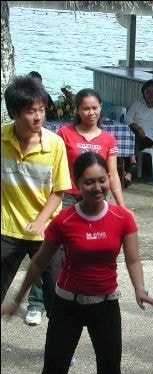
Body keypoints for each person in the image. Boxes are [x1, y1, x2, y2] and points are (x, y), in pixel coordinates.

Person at [1, 152, 153, 374]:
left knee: (110, 370)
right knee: (53, 373)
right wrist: (18, 298)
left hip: (106, 305)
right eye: (89, 182)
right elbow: (38, 263)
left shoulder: (122, 218)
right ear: (77, 184)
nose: (97, 187)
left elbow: (133, 259)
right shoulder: (64, 221)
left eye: (102, 180)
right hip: (67, 306)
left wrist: (140, 288)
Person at [1, 75, 71, 319]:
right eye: (31, 111)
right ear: (14, 112)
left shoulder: (55, 144)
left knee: (57, 296)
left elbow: (59, 190)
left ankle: (59, 341)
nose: (38, 117)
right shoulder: (2, 138)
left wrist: (41, 221)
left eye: (42, 109)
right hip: (7, 228)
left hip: (46, 231)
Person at [57, 88, 125, 208]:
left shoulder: (109, 139)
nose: (91, 113)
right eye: (86, 109)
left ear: (100, 107)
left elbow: (113, 174)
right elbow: (54, 168)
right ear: (77, 110)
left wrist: (122, 207)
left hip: (97, 196)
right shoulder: (64, 134)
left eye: (95, 108)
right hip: (68, 197)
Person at [124, 79, 153, 187]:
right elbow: (127, 118)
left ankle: (128, 170)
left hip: (149, 138)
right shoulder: (137, 104)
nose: (150, 94)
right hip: (134, 133)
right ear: (143, 93)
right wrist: (138, 127)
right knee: (131, 137)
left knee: (131, 140)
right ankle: (129, 169)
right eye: (147, 91)